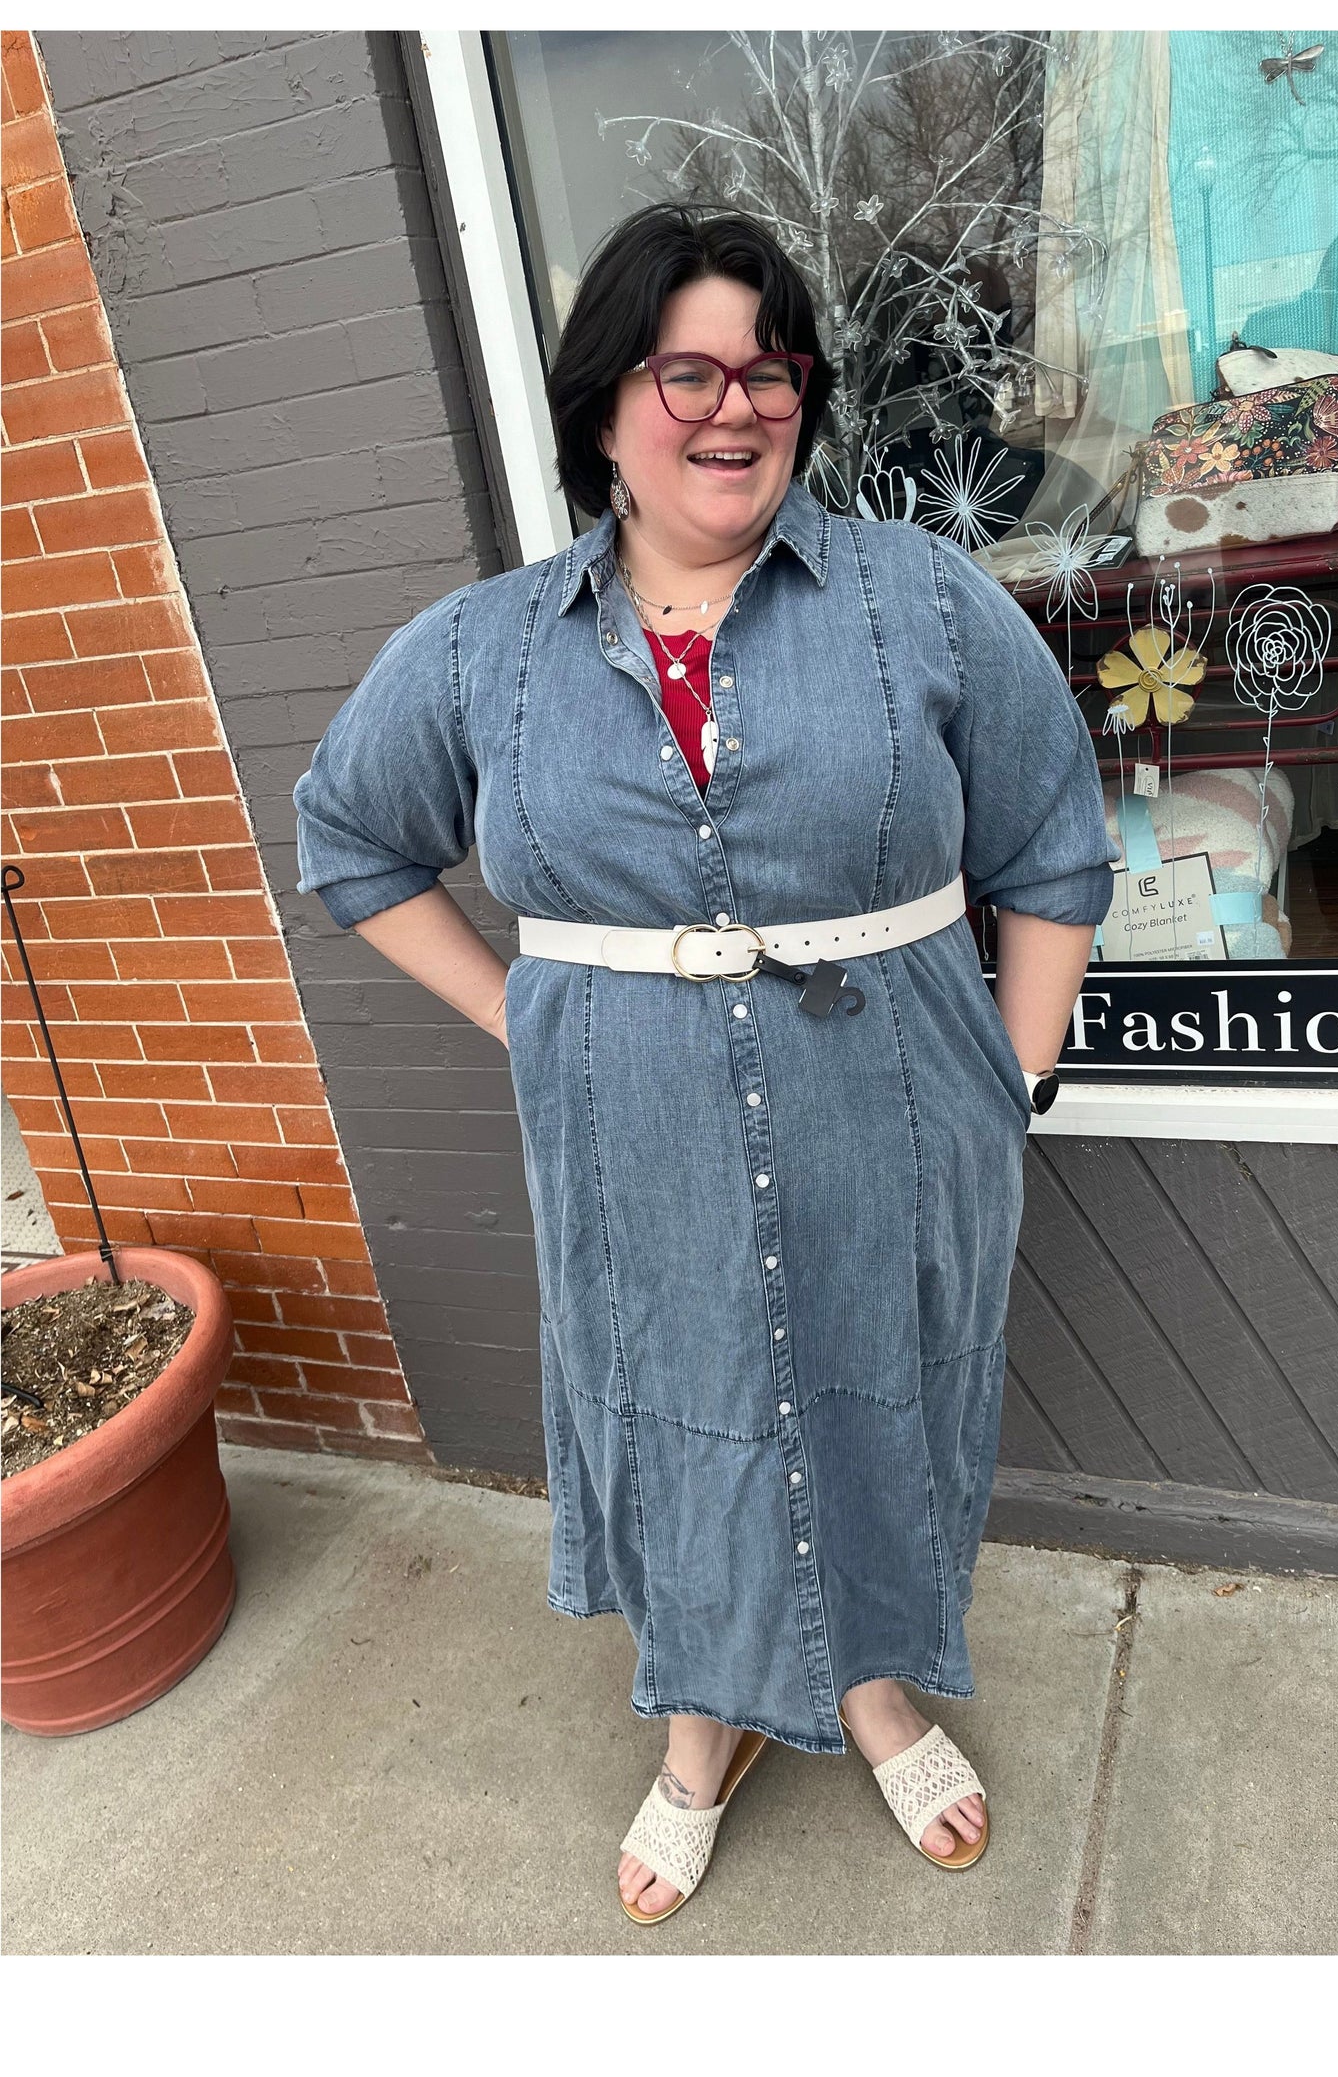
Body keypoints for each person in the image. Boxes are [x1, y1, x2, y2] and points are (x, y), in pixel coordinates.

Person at [293, 201, 1115, 1926]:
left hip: (894, 1107)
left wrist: (1011, 1077)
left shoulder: (916, 599)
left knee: (881, 1396)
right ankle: (698, 1730)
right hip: (633, 1126)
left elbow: (1050, 838)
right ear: (603, 406)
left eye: (768, 371)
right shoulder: (483, 648)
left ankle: (875, 1694)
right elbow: (352, 843)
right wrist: (520, 1014)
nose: (734, 409)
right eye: (687, 372)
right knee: (677, 1413)